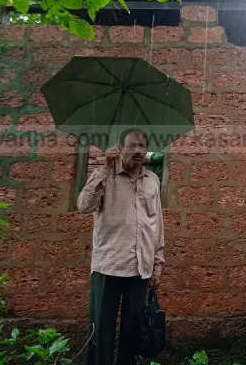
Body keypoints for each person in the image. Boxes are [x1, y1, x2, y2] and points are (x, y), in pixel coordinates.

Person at [77, 129, 165, 365]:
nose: (138, 150)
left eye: (142, 146)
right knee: (101, 331)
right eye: (132, 145)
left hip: (141, 269)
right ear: (121, 148)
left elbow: (157, 224)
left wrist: (158, 263)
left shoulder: (152, 181)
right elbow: (84, 206)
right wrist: (105, 168)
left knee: (132, 332)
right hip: (108, 266)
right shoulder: (104, 175)